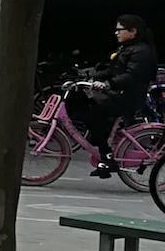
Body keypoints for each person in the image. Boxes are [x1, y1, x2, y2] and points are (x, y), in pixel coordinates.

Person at [67, 15, 159, 177]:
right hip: (119, 94)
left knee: (93, 112)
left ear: (133, 31)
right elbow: (112, 71)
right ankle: (102, 141)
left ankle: (106, 155)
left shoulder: (141, 52)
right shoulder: (127, 48)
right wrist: (89, 77)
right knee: (81, 100)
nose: (116, 33)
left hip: (129, 97)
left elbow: (131, 76)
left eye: (120, 30)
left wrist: (108, 84)